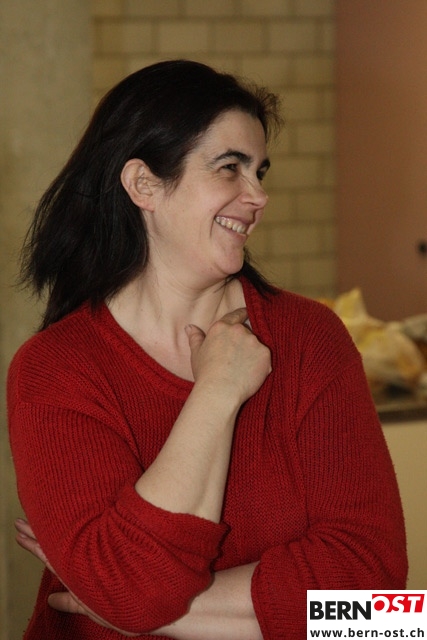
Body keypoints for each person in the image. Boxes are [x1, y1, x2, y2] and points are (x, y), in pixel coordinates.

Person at [8, 59, 407, 640]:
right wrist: (218, 391)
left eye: (260, 171)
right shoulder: (55, 368)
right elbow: (133, 590)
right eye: (230, 168)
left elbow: (381, 606)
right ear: (143, 185)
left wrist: (137, 609)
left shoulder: (310, 337)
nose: (259, 196)